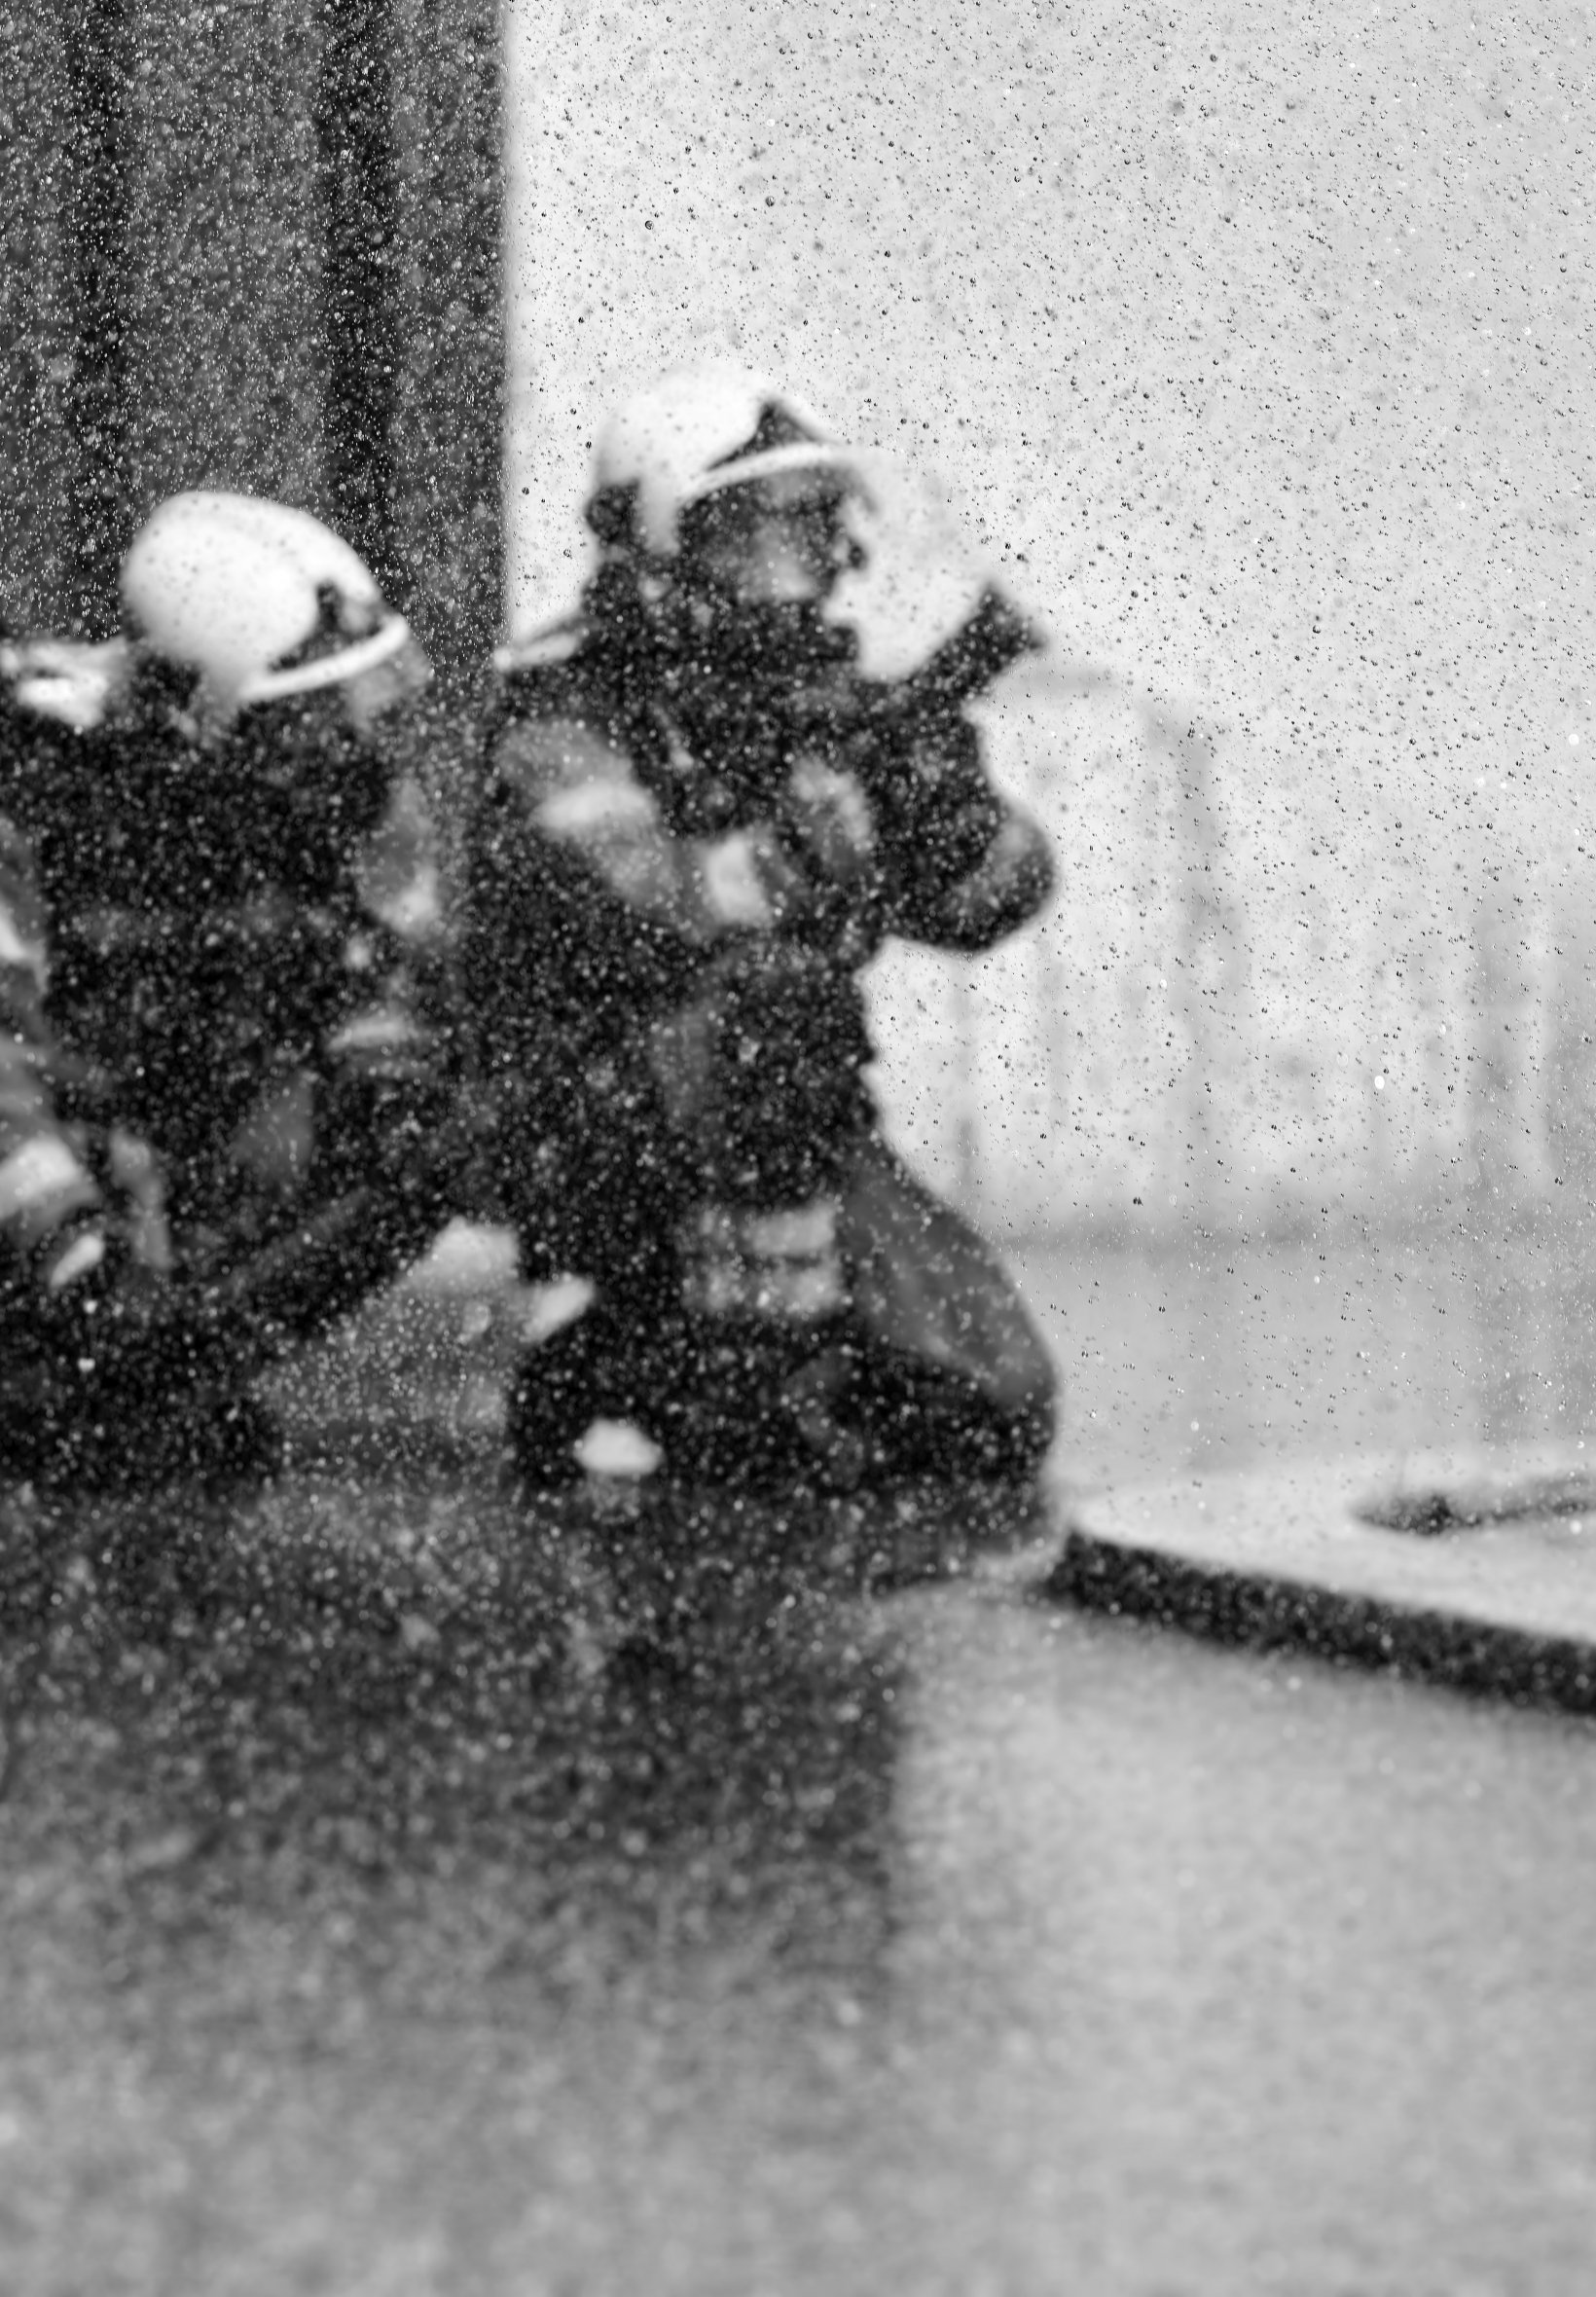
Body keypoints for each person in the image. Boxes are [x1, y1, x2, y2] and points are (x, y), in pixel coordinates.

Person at [468, 365, 1058, 1513]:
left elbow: (988, 904)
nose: (791, 571)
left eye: (808, 533)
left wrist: (953, 819)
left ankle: (667, 1357)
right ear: (658, 542)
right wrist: (799, 845)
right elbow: (644, 908)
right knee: (776, 1003)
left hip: (786, 1120)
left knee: (990, 1411)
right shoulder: (564, 706)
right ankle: (709, 1372)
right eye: (753, 537)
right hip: (584, 1112)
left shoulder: (822, 703)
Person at [0, 491, 461, 1487]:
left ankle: (158, 1374)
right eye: (310, 723)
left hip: (143, 1111)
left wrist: (379, 1070)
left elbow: (385, 971)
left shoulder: (326, 791)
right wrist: (74, 1251)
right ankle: (64, 1368)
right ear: (197, 713)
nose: (346, 752)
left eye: (349, 711)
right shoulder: (32, 782)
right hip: (42, 1138)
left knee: (426, 1132)